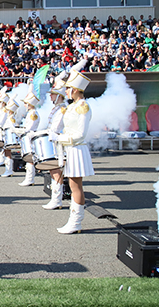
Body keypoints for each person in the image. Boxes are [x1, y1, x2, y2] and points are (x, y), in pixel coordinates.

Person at [50, 70, 95, 234]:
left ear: (75, 89)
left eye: (68, 88)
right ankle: (74, 221)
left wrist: (60, 138)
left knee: (76, 186)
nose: (66, 92)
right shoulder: (73, 106)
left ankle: (76, 222)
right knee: (73, 184)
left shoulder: (83, 106)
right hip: (70, 148)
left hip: (76, 148)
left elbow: (81, 134)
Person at [42, 75, 68, 210]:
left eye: (52, 94)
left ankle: (57, 199)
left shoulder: (62, 109)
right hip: (54, 141)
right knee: (53, 169)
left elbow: (56, 128)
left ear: (59, 96)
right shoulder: (57, 108)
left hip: (59, 143)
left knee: (56, 169)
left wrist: (45, 133)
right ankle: (55, 198)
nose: (50, 96)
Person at [13, 92, 40, 186]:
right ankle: (29, 178)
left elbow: (29, 128)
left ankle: (30, 179)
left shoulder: (33, 114)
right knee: (28, 159)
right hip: (28, 136)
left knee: (30, 159)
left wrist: (18, 131)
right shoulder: (30, 113)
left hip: (30, 136)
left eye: (25, 103)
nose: (24, 105)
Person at [1, 99, 20, 178]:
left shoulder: (11, 118)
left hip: (9, 137)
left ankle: (9, 170)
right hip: (6, 136)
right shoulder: (10, 117)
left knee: (7, 152)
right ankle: (8, 169)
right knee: (6, 152)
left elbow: (12, 127)